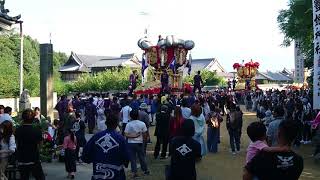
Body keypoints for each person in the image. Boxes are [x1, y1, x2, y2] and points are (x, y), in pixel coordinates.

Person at [82, 114, 129, 180]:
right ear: (117, 124)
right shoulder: (121, 139)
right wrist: (125, 163)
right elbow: (126, 155)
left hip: (99, 173)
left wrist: (88, 159)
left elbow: (86, 152)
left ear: (106, 123)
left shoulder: (96, 136)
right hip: (116, 174)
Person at [15, 109, 45, 180]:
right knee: (40, 177)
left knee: (24, 177)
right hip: (34, 158)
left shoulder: (18, 130)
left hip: (22, 158)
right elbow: (40, 144)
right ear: (33, 118)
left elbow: (16, 143)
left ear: (23, 118)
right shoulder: (37, 130)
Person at [124, 109, 150, 178]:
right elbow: (145, 134)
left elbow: (126, 134)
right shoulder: (142, 123)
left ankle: (134, 172)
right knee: (142, 157)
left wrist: (133, 136)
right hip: (140, 143)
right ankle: (145, 170)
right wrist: (143, 141)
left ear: (130, 116)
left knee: (133, 159)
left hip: (131, 143)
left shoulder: (128, 124)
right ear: (138, 116)